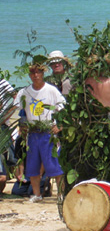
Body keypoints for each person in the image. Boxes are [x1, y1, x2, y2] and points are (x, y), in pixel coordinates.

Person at [14, 60, 66, 202]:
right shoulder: (24, 92)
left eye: (38, 72)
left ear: (43, 73)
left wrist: (59, 126)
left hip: (48, 132)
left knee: (53, 164)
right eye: (32, 72)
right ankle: (37, 194)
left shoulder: (51, 90)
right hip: (32, 132)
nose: (35, 75)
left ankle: (61, 194)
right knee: (33, 164)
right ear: (29, 75)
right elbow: (19, 110)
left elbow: (63, 109)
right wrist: (22, 126)